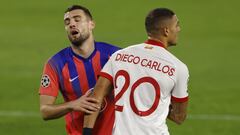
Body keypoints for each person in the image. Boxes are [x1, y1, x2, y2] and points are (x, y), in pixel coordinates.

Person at [83, 8, 189, 135]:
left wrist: (87, 132)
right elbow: (179, 117)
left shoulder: (119, 56)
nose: (179, 29)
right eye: (177, 25)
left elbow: (96, 97)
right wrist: (153, 102)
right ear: (166, 31)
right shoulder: (178, 68)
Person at [39, 5, 120, 135]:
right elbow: (45, 111)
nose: (72, 24)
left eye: (77, 19)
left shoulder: (115, 55)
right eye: (67, 22)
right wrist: (73, 104)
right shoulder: (55, 64)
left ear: (91, 24)